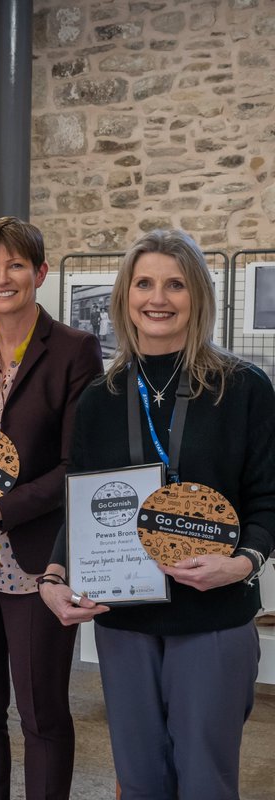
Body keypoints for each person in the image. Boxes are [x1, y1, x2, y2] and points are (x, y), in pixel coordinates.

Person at [39, 230, 274, 799]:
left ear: (198, 295)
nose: (158, 298)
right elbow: (83, 500)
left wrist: (241, 564)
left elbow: (268, 500)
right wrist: (53, 576)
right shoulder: (100, 395)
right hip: (125, 621)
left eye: (175, 284)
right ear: (124, 295)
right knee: (140, 781)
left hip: (213, 617)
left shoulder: (242, 388)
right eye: (144, 283)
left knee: (205, 781)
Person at [0, 216, 101, 800]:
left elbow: (77, 467)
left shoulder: (75, 350)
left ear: (41, 273)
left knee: (42, 714)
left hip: (33, 563)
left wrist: (0, 507)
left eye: (15, 265)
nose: (1, 278)